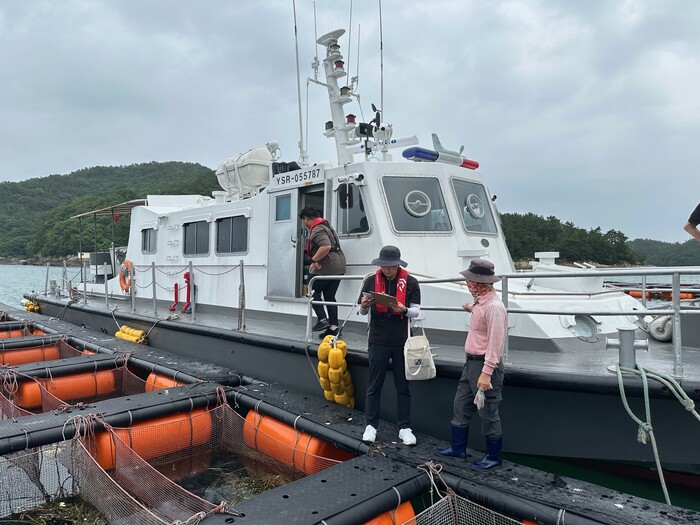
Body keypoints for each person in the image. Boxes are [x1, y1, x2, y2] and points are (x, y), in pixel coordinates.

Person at [436, 259, 507, 470]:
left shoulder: (494, 308)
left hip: (484, 367)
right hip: (470, 365)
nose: (467, 283)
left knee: (488, 413)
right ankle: (458, 449)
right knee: (461, 405)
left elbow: (495, 344)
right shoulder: (480, 302)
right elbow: (478, 311)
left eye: (469, 280)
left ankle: (493, 457)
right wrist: (469, 307)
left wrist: (486, 373)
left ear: (479, 282)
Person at [358, 245, 421, 446]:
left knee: (403, 386)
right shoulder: (371, 280)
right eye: (384, 266)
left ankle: (404, 427)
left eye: (391, 266)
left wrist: (404, 310)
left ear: (398, 265)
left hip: (402, 340)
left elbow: (416, 311)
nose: (387, 270)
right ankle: (370, 425)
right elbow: (362, 311)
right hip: (378, 338)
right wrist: (364, 306)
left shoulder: (411, 282)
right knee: (374, 384)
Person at [299, 207, 346, 339]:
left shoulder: (317, 229)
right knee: (330, 296)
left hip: (328, 266)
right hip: (338, 266)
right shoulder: (326, 226)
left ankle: (322, 319)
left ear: (306, 219)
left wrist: (314, 260)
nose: (304, 223)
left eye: (303, 221)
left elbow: (326, 246)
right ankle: (333, 328)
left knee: (312, 290)